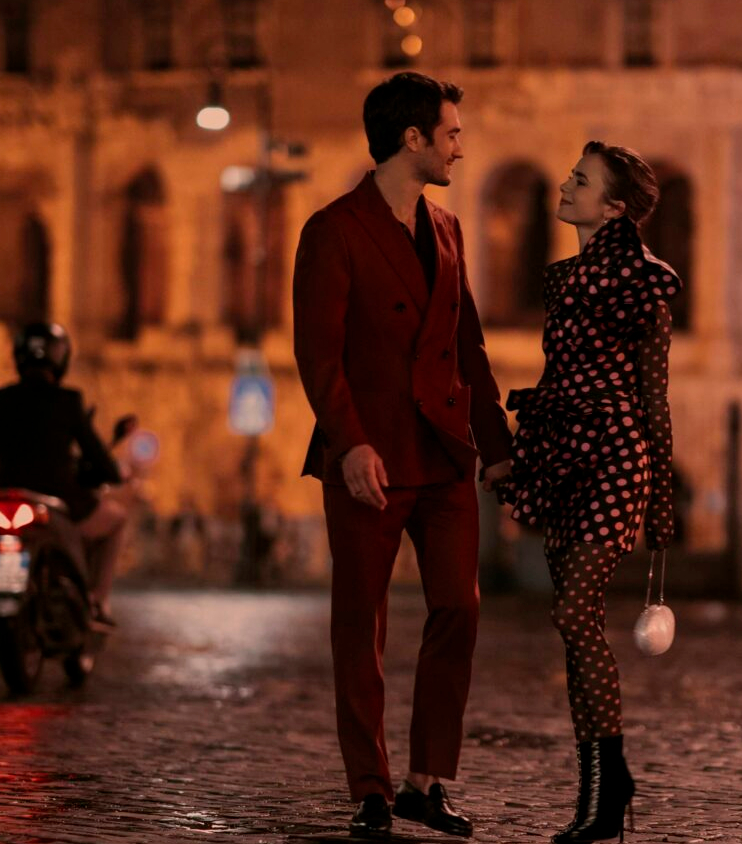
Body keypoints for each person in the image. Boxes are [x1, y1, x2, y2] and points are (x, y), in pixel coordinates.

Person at [291, 71, 514, 839]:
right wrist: (348, 442)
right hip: (370, 460)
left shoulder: (447, 226)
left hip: (445, 450)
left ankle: (426, 780)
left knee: (459, 606)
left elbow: (467, 343)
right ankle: (372, 788)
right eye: (450, 132)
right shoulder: (333, 229)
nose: (460, 144)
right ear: (412, 139)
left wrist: (496, 446)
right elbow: (319, 356)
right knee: (362, 624)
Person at [495, 142, 682, 842]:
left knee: (574, 615)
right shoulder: (562, 278)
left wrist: (661, 496)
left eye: (581, 180)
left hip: (614, 455)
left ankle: (612, 778)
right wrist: (523, 450)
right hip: (559, 452)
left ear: (613, 207)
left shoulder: (647, 281)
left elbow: (653, 396)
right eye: (572, 176)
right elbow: (558, 373)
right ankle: (601, 794)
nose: (566, 185)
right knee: (578, 632)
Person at [0, 322, 126, 626]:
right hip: (59, 502)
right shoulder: (68, 401)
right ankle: (97, 599)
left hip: (6, 500)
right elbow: (98, 457)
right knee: (117, 520)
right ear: (61, 359)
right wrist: (110, 473)